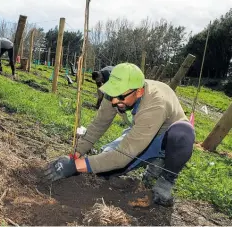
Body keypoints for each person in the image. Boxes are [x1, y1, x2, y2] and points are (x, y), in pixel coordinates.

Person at [44, 63, 195, 207]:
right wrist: (74, 156)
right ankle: (154, 161)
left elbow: (122, 156)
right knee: (105, 168)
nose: (115, 101)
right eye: (112, 95)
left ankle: (165, 180)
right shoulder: (116, 94)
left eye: (121, 97)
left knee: (182, 134)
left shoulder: (156, 103)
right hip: (139, 134)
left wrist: (74, 167)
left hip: (166, 140)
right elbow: (98, 125)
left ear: (139, 92)